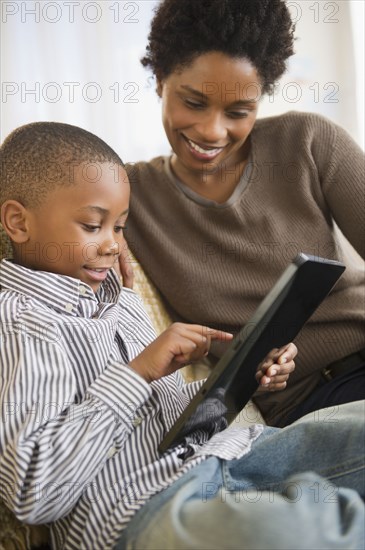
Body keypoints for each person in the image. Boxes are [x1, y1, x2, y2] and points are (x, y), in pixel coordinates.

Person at [0, 122, 363, 550]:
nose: (114, 245)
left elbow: (174, 424)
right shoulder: (21, 323)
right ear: (18, 223)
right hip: (141, 505)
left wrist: (242, 374)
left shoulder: (121, 297)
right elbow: (33, 490)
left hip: (231, 453)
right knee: (288, 532)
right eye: (92, 225)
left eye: (119, 227)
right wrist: (136, 375)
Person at [123, 0, 365, 427]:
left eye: (238, 113)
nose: (213, 132)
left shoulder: (308, 142)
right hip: (309, 405)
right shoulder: (127, 193)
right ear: (160, 80)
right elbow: (28, 183)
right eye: (194, 103)